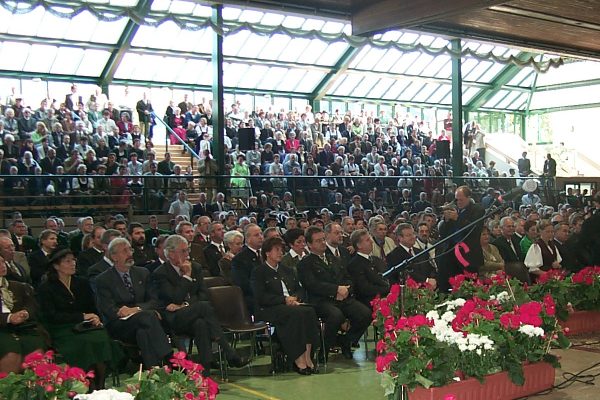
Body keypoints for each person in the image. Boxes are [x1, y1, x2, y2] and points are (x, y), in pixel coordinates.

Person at [150, 235, 248, 374]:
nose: (187, 254)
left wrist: (186, 305)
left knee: (201, 323)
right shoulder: (161, 273)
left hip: (194, 313)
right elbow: (174, 298)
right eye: (183, 251)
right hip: (173, 319)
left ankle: (205, 370)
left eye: (187, 250)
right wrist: (186, 277)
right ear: (171, 253)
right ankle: (229, 352)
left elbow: (203, 294)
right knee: (203, 307)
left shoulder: (195, 267)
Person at [37, 248, 123, 389]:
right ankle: (88, 382)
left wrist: (95, 317)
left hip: (86, 325)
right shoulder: (46, 288)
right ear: (56, 266)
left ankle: (100, 383)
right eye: (67, 261)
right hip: (62, 327)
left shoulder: (81, 283)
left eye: (74, 260)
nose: (73, 264)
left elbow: (92, 307)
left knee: (101, 339)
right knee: (85, 343)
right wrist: (81, 316)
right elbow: (51, 315)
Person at [95, 238, 172, 368]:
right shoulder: (103, 279)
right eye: (124, 251)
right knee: (149, 316)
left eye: (130, 249)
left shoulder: (143, 272)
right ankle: (169, 357)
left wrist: (135, 309)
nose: (130, 253)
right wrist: (131, 313)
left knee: (143, 332)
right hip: (120, 325)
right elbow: (108, 310)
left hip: (145, 322)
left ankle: (152, 370)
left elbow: (154, 300)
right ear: (114, 257)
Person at [298, 226, 371, 362]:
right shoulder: (305, 264)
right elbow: (312, 285)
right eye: (318, 241)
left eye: (323, 239)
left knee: (365, 314)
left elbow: (348, 278)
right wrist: (336, 289)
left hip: (342, 298)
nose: (322, 243)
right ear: (309, 244)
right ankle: (324, 349)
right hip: (321, 301)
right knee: (335, 316)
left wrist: (346, 289)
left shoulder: (334, 259)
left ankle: (347, 341)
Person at [252, 237, 319, 375]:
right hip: (270, 307)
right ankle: (298, 358)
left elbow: (299, 288)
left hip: (292, 304)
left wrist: (295, 298)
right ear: (267, 253)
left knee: (309, 312)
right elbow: (261, 296)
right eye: (277, 250)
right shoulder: (259, 272)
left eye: (282, 250)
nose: (280, 253)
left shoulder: (287, 270)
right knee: (295, 314)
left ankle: (308, 357)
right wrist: (284, 300)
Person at [0, 255, 47, 373]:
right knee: (11, 353)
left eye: (3, 262)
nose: (2, 266)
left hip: (22, 327)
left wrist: (25, 313)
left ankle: (34, 387)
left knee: (35, 348)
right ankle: (7, 388)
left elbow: (32, 304)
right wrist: (9, 318)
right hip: (2, 328)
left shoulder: (17, 286)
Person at [438, 186, 485, 291]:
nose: (458, 202)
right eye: (456, 199)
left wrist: (457, 219)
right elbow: (444, 233)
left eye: (461, 199)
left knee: (468, 288)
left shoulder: (478, 210)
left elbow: (473, 229)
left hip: (468, 255)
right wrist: (446, 221)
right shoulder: (453, 210)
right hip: (451, 254)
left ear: (468, 198)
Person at [346, 229, 390, 307]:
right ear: (359, 245)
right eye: (367, 240)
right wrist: (386, 289)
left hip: (385, 294)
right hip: (370, 300)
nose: (372, 242)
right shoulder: (355, 265)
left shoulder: (376, 259)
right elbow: (364, 288)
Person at [231, 224, 263, 312]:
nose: (261, 237)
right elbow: (243, 284)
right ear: (248, 239)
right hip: (253, 298)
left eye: (261, 234)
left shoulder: (266, 253)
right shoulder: (240, 259)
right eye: (256, 235)